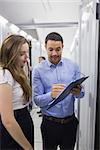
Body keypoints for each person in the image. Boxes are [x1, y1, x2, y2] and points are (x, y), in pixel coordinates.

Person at [32, 32, 85, 150]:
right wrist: (51, 95)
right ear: (45, 47)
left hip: (70, 123)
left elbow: (82, 93)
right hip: (49, 124)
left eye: (58, 49)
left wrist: (79, 92)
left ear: (63, 47)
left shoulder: (73, 66)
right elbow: (36, 100)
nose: (54, 53)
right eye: (50, 50)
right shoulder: (38, 70)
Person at [0, 34, 34, 150]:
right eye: (21, 54)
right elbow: (8, 120)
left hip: (23, 119)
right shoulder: (5, 75)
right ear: (10, 54)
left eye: (27, 53)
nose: (26, 57)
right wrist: (27, 147)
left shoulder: (17, 71)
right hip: (14, 128)